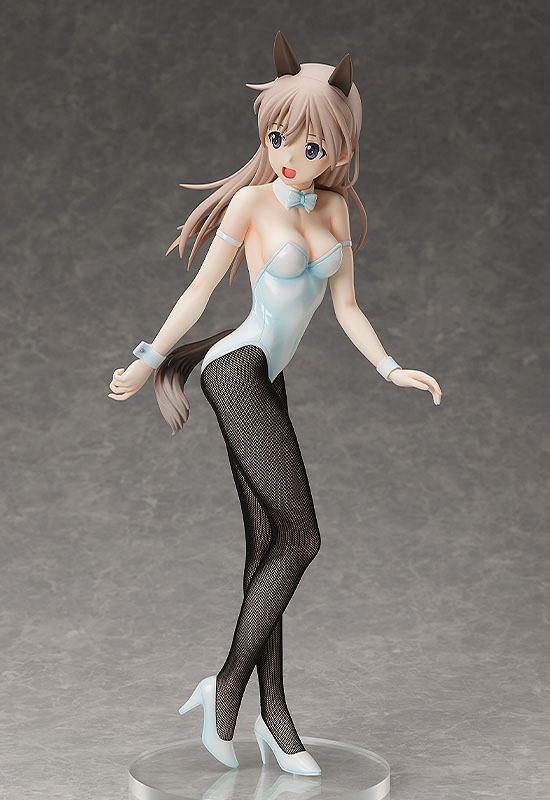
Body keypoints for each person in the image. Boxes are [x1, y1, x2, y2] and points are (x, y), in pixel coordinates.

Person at [108, 31, 442, 777]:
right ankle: (226, 686)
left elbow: (347, 308)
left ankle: (276, 716)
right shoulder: (254, 203)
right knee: (302, 538)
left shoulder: (335, 216)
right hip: (237, 371)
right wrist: (149, 359)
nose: (290, 157)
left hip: (270, 376)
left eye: (312, 147)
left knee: (267, 547)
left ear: (341, 150)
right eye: (278, 138)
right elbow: (200, 292)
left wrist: (391, 367)